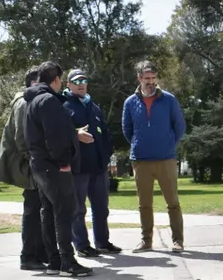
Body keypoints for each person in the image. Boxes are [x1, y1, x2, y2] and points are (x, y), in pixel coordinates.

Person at [23, 60, 93, 277]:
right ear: (56, 80)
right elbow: (55, 137)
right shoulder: (48, 102)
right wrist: (63, 162)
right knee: (64, 212)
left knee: (49, 212)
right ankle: (67, 262)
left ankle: (54, 261)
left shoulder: (32, 101)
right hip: (53, 166)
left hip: (39, 165)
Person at [121, 59, 186, 253]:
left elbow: (179, 126)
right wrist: (138, 144)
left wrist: (168, 144)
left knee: (173, 202)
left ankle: (178, 241)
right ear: (139, 78)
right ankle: (146, 241)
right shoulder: (130, 102)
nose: (151, 81)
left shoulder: (169, 99)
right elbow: (127, 128)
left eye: (153, 78)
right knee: (144, 204)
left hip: (166, 159)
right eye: (147, 78)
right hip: (141, 161)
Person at [0, 67, 48, 270]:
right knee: (33, 211)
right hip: (28, 166)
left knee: (40, 209)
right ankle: (29, 256)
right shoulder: (25, 102)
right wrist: (34, 163)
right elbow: (22, 139)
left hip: (31, 163)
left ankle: (40, 251)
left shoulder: (31, 101)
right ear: (34, 83)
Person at [62, 68, 121, 257]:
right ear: (68, 85)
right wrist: (75, 135)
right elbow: (57, 134)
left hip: (98, 166)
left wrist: (106, 155)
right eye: (76, 82)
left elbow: (104, 133)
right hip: (78, 167)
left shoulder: (93, 106)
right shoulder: (63, 105)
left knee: (101, 208)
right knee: (78, 209)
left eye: (83, 81)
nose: (81, 84)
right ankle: (82, 245)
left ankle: (102, 243)